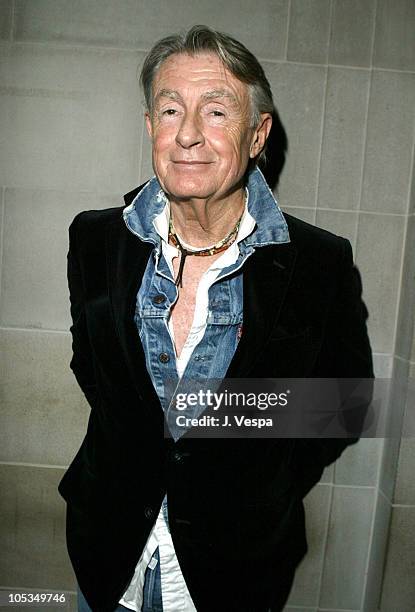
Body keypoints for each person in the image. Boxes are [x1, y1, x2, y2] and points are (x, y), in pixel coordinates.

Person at [58, 25, 374, 612]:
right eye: (171, 109)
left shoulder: (319, 262)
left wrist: (252, 472)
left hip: (236, 567)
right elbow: (95, 374)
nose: (188, 135)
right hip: (107, 551)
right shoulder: (94, 239)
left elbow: (345, 403)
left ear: (258, 134)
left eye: (216, 112)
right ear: (150, 125)